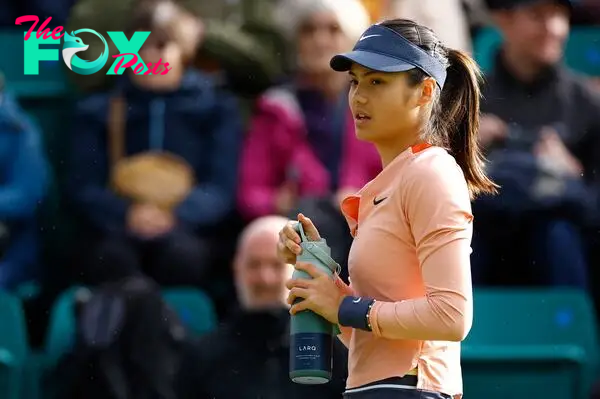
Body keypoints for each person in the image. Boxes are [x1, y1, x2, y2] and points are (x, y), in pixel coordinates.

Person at [278, 18, 498, 399]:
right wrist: (325, 287)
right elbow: (377, 336)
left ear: (425, 91)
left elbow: (452, 316)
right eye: (355, 81)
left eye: (377, 81)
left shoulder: (431, 172)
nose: (359, 96)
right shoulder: (393, 182)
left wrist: (346, 307)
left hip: (412, 390)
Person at [66, 1, 243, 287]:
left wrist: (175, 216)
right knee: (111, 259)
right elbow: (84, 185)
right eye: (140, 45)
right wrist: (127, 214)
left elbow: (220, 186)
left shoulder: (215, 109)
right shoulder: (99, 110)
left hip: (188, 228)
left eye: (160, 46)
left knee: (185, 258)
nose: (149, 55)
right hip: (119, 227)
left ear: (182, 53)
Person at [238, 0, 380, 280]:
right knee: (309, 218)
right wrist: (275, 202)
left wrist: (361, 199)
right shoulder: (276, 107)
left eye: (332, 29)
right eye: (309, 30)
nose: (320, 39)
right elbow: (250, 192)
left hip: (365, 224)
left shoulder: (375, 105)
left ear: (351, 40)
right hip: (300, 222)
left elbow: (398, 178)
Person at [472, 0, 600, 289]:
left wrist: (571, 174)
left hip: (562, 251)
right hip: (486, 243)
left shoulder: (585, 103)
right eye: (537, 16)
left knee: (558, 234)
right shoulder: (472, 100)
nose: (553, 29)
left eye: (559, 17)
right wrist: (468, 152)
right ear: (504, 20)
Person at [176, 215, 348, 398]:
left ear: (298, 271)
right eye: (254, 265)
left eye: (276, 266)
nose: (265, 279)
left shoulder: (331, 353)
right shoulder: (204, 356)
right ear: (236, 267)